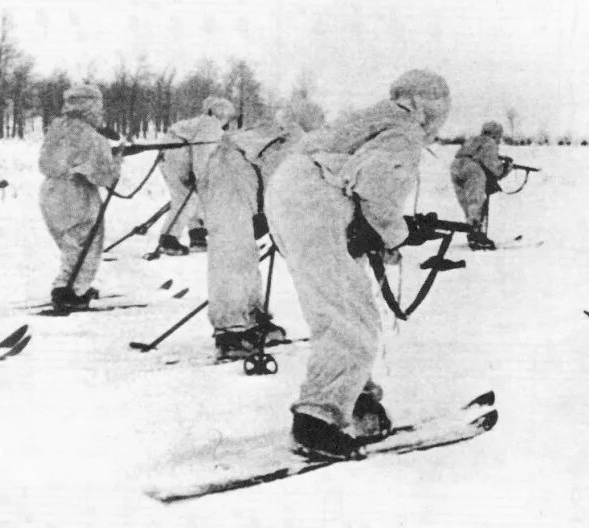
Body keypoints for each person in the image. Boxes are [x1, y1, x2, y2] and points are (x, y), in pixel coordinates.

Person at [264, 70, 451, 459]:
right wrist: (397, 233)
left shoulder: (374, 116)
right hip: (313, 201)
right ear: (428, 105)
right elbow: (377, 185)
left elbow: (353, 181)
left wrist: (383, 232)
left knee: (342, 305)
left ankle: (355, 400)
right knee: (349, 315)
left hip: (291, 194)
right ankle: (316, 421)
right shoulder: (404, 129)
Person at [199, 108, 326, 360]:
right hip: (229, 172)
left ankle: (251, 318)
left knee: (245, 254)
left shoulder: (297, 139)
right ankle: (231, 331)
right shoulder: (299, 143)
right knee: (233, 252)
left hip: (240, 172)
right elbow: (282, 185)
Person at [39, 83, 122, 312]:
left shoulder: (56, 128)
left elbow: (45, 162)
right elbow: (104, 176)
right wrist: (116, 159)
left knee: (70, 244)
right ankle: (72, 291)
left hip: (51, 191)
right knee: (88, 242)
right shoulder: (93, 137)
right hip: (77, 194)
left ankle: (73, 284)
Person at [155, 96, 236, 255]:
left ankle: (197, 235)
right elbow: (203, 156)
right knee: (187, 199)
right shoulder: (211, 126)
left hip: (170, 157)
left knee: (193, 197)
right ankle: (169, 240)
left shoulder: (201, 122)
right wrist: (203, 178)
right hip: (178, 159)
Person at [450, 121, 512, 250]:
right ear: (495, 134)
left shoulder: (472, 140)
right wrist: (505, 168)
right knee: (476, 200)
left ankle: (472, 230)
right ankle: (477, 235)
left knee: (466, 203)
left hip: (455, 166)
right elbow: (492, 165)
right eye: (499, 136)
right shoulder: (490, 142)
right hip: (472, 168)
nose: (499, 140)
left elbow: (477, 155)